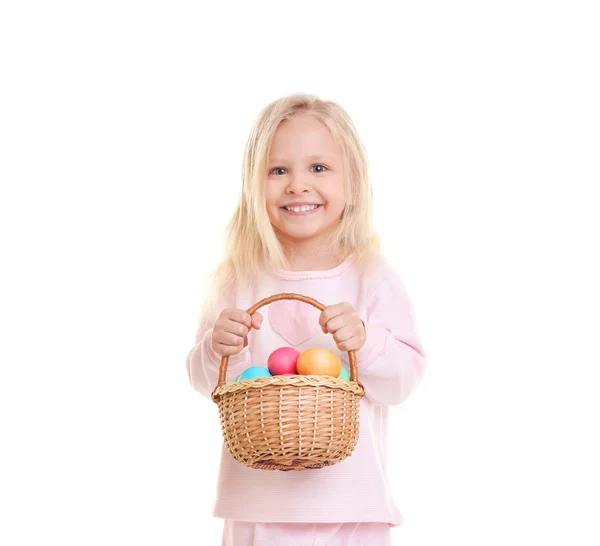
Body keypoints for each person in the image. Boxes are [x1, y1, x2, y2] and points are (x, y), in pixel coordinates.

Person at [185, 93, 427, 546]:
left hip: (350, 505)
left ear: (352, 185)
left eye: (319, 168)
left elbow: (403, 381)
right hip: (257, 503)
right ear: (253, 187)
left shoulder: (371, 276)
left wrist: (367, 343)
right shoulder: (238, 278)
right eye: (278, 170)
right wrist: (219, 350)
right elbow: (205, 382)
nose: (297, 185)